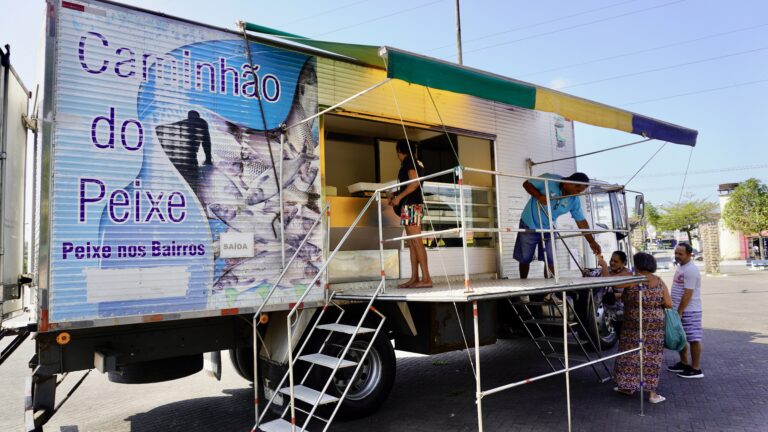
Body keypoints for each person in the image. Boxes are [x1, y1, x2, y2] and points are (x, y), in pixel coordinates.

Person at [514, 172, 601, 279]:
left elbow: (581, 221)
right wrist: (539, 196)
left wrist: (591, 241)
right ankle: (523, 285)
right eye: (577, 190)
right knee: (525, 257)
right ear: (569, 183)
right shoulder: (549, 179)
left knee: (551, 259)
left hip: (549, 226)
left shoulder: (574, 200)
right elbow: (526, 184)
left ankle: (549, 291)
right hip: (529, 222)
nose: (578, 194)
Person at [613, 252, 673, 404]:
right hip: (655, 326)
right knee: (652, 357)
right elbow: (668, 303)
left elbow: (615, 284)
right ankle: (652, 394)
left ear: (638, 264)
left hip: (634, 324)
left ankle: (626, 386)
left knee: (629, 354)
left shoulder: (633, 279)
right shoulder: (659, 281)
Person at [389, 140, 432, 288]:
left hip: (411, 205)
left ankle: (426, 278)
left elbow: (414, 183)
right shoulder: (418, 162)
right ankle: (415, 277)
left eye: (397, 153)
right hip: (411, 205)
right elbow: (412, 184)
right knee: (413, 243)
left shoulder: (408, 161)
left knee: (417, 242)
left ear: (400, 152)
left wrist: (399, 197)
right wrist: (395, 194)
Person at [667, 242, 704, 378]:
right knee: (681, 338)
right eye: (676, 253)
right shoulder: (681, 267)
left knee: (693, 339)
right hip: (678, 309)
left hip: (690, 311)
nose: (677, 256)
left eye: (680, 254)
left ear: (689, 255)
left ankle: (696, 369)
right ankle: (684, 363)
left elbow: (688, 293)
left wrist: (680, 311)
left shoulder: (691, 270)